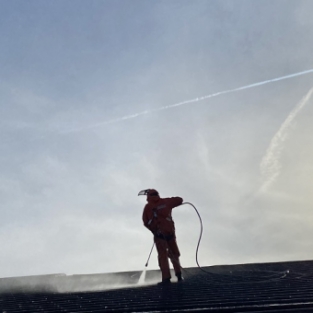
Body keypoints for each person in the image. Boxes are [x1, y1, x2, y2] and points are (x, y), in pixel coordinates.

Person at [139, 188, 184, 284]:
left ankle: (166, 278)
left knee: (163, 257)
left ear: (148, 196)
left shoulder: (148, 207)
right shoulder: (166, 201)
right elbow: (180, 200)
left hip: (159, 236)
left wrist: (154, 230)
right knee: (174, 254)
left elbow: (145, 222)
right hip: (170, 233)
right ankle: (179, 274)